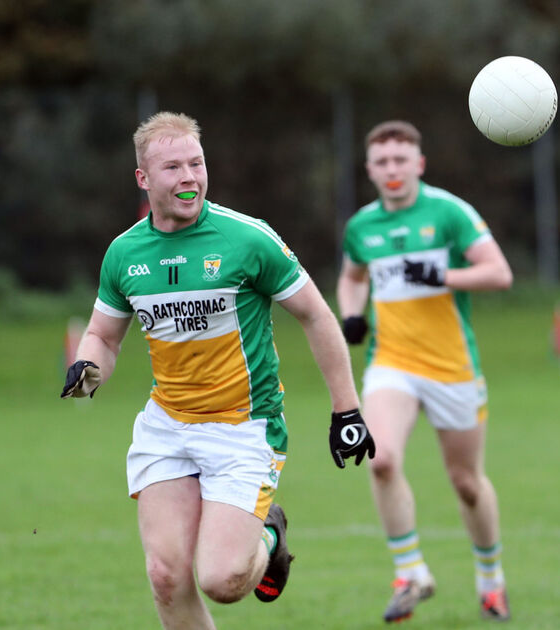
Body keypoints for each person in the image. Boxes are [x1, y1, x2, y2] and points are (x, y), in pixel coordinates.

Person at [60, 111, 376, 630]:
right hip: (168, 426)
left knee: (223, 581)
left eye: (196, 164)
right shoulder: (125, 254)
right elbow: (103, 336)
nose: (189, 177)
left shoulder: (248, 239)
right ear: (143, 179)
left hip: (242, 428)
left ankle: (269, 535)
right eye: (172, 168)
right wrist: (87, 372)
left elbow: (316, 315)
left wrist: (348, 410)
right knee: (166, 576)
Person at [337, 120, 514, 622]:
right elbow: (351, 277)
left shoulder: (449, 212)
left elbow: (499, 273)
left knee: (466, 482)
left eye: (401, 160)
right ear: (370, 170)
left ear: (419, 164)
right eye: (382, 162)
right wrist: (352, 312)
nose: (392, 170)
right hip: (390, 363)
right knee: (381, 459)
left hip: (453, 367)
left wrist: (439, 274)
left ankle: (490, 578)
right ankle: (411, 572)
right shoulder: (362, 226)